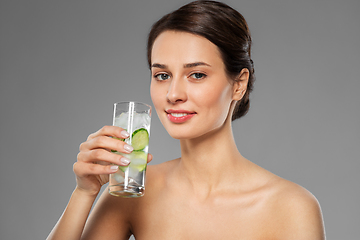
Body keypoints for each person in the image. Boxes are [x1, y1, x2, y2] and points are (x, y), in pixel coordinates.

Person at [47, 1, 325, 239]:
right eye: (162, 75)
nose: (173, 94)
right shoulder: (131, 192)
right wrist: (83, 193)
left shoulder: (290, 207)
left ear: (238, 84)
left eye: (197, 75)